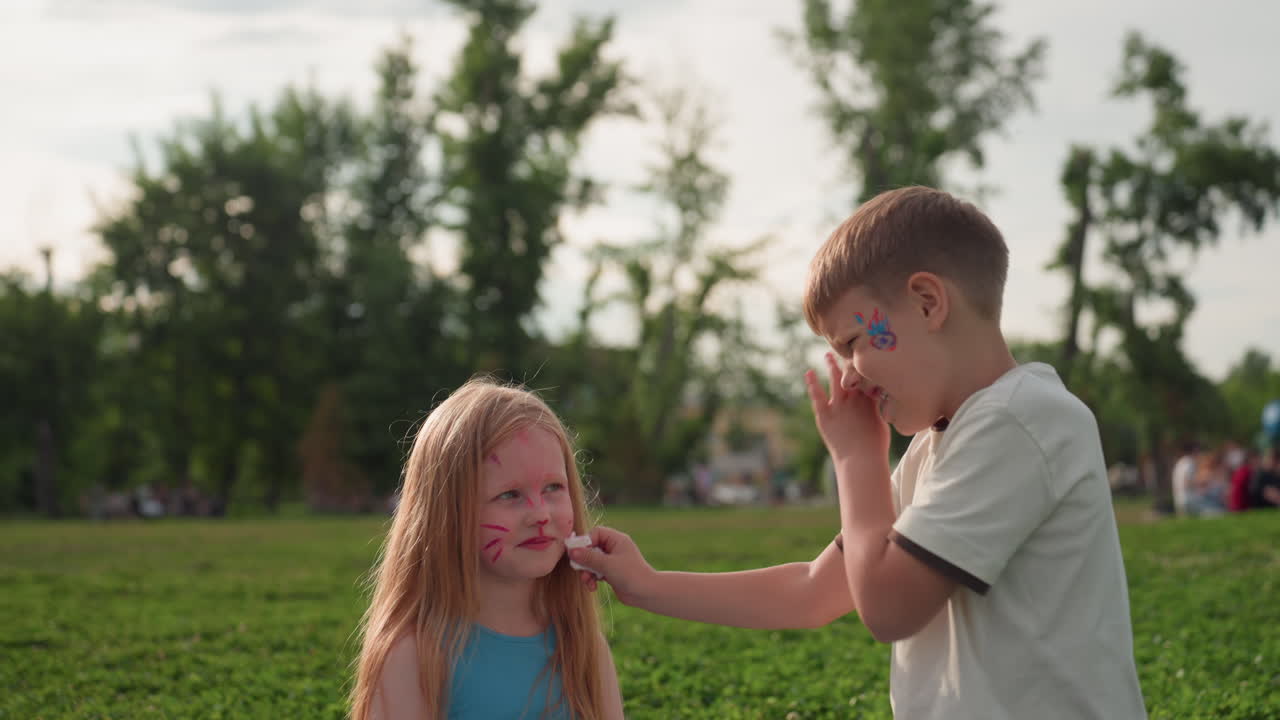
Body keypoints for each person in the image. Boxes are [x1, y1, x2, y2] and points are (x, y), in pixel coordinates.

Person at [569, 187, 1146, 719]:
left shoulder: (1021, 420)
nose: (847, 377)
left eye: (854, 342)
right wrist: (646, 583)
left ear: (926, 303)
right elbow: (812, 592)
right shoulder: (939, 446)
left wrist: (857, 460)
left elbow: (889, 606)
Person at [349, 377, 624, 720]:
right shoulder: (415, 655)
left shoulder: (583, 645)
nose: (540, 514)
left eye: (554, 487)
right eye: (509, 495)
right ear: (447, 514)